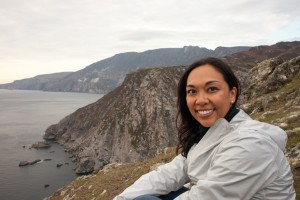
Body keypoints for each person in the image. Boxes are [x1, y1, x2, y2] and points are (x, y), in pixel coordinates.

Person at [113, 57, 295, 200]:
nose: (200, 100)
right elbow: (172, 172)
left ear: (232, 94)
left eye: (211, 89)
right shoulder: (211, 131)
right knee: (145, 195)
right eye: (192, 91)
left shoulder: (250, 144)